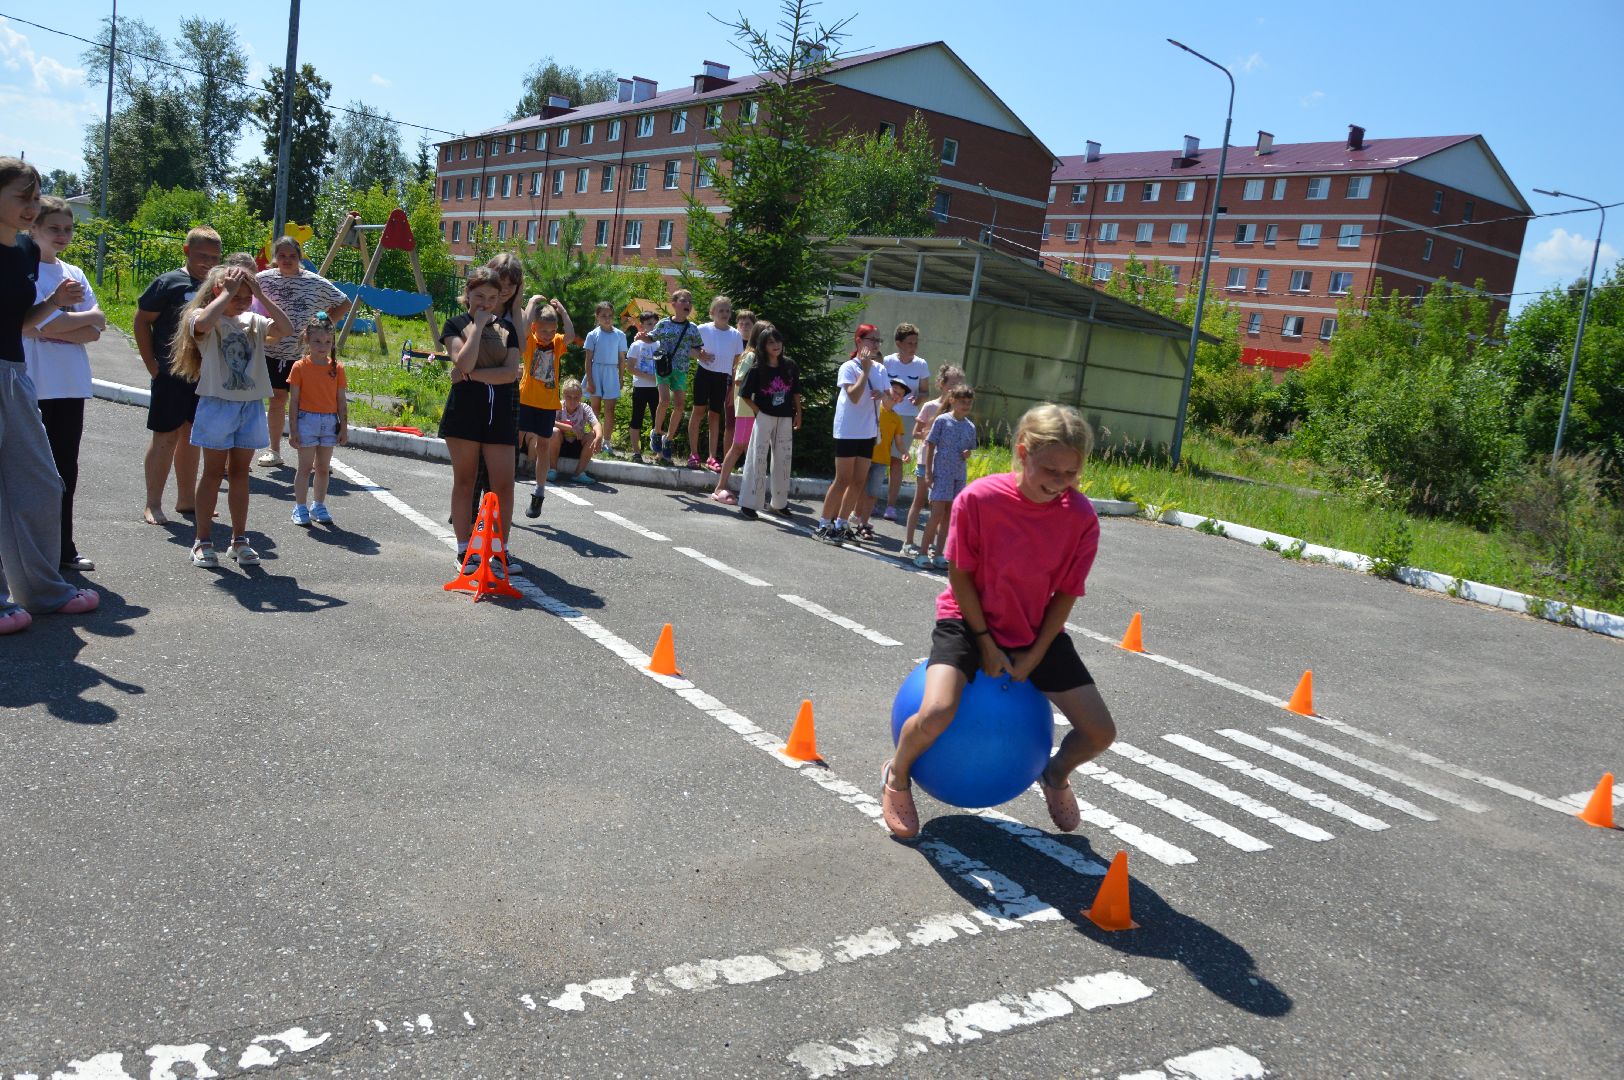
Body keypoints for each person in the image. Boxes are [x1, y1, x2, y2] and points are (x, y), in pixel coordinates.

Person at [881, 403, 1113, 841]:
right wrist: (985, 642)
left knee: (1100, 732)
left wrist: (1035, 655)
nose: (1059, 483)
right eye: (1050, 470)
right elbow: (960, 574)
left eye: (1071, 474)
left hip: (1034, 629)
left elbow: (1065, 593)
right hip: (966, 622)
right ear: (1023, 453)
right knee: (936, 712)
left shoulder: (1080, 516)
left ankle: (1056, 775)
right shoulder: (979, 499)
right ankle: (897, 774)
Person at [0, 157, 99, 633]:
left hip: (14, 375)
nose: (30, 207)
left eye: (35, 197)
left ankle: (40, 590)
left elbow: (22, 324)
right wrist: (59, 319)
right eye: (22, 197)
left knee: (41, 483)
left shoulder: (21, 251)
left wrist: (53, 307)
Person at [169, 265, 294, 568]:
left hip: (249, 405)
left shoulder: (253, 320)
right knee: (212, 473)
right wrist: (226, 293)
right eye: (236, 296)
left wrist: (261, 294)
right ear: (217, 292)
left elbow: (286, 329)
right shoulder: (202, 318)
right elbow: (203, 324)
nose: (241, 301)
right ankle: (202, 540)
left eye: (245, 296)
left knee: (240, 474)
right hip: (217, 405)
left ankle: (239, 540)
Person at [22, 195, 104, 572]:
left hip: (70, 384)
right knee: (28, 471)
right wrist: (58, 325)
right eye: (53, 227)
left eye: (68, 229)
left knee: (65, 469)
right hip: (31, 384)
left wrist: (53, 328)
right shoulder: (24, 270)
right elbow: (32, 324)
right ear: (33, 227)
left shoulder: (74, 273)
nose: (62, 235)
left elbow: (97, 326)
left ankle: (62, 548)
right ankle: (25, 551)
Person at [136, 226, 221, 525]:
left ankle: (187, 500)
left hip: (205, 377)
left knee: (192, 438)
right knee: (165, 437)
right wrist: (150, 363)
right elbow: (141, 321)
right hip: (171, 375)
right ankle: (152, 504)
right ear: (186, 251)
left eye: (214, 256)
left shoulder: (218, 288)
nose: (208, 262)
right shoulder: (168, 282)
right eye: (202, 255)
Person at [440, 267, 522, 572]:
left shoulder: (508, 329)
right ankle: (465, 551)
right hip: (464, 413)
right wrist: (476, 326)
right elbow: (463, 359)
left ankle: (498, 549)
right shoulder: (455, 325)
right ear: (467, 295)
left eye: (491, 297)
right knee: (465, 480)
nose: (486, 303)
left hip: (498, 414)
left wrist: (470, 376)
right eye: (479, 296)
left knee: (504, 485)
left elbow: (509, 374)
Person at [254, 236, 349, 468]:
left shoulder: (314, 282)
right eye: (282, 256)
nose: (287, 260)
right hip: (273, 352)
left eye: (292, 256)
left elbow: (344, 302)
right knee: (277, 401)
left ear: (300, 257)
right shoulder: (262, 280)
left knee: (307, 404)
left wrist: (323, 328)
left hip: (305, 356)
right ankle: (274, 450)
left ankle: (314, 455)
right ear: (275, 257)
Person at [815, 324, 886, 542]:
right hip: (848, 429)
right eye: (872, 340)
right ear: (859, 341)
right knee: (843, 479)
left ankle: (841, 524)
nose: (875, 345)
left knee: (858, 481)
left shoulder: (881, 369)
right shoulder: (849, 367)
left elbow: (888, 397)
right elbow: (854, 397)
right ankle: (824, 524)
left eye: (878, 341)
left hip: (868, 431)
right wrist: (865, 371)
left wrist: (884, 394)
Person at [286, 313, 348, 526]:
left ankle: (318, 505)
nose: (323, 346)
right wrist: (293, 429)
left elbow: (341, 401)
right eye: (317, 341)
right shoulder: (299, 367)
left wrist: (344, 428)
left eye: (328, 342)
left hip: (329, 423)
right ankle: (300, 507)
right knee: (304, 468)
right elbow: (293, 401)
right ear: (307, 341)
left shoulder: (337, 368)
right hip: (306, 421)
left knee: (323, 467)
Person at [736, 321, 802, 520]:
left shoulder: (789, 365)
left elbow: (796, 392)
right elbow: (744, 393)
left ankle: (779, 504)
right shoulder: (757, 368)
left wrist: (798, 412)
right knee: (757, 458)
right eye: (771, 342)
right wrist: (758, 412)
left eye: (778, 341)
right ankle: (749, 504)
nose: (776, 345)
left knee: (783, 460)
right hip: (764, 416)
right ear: (763, 346)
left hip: (785, 417)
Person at [902, 365, 964, 558]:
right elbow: (915, 433)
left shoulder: (958, 411)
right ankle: (908, 542)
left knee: (938, 507)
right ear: (941, 384)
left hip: (945, 466)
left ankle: (932, 546)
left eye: (959, 384)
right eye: (952, 384)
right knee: (919, 500)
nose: (955, 388)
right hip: (925, 461)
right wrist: (930, 434)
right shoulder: (930, 406)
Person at [518, 297, 571, 519]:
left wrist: (563, 311)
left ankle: (538, 493)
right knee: (514, 442)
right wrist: (531, 304)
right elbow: (521, 331)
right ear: (534, 327)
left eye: (551, 330)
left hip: (547, 405)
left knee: (543, 447)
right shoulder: (529, 341)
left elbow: (570, 332)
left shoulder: (557, 343)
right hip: (525, 400)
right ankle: (501, 486)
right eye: (543, 330)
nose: (548, 335)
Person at [914, 385, 977, 570]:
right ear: (952, 401)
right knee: (936, 514)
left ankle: (940, 553)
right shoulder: (942, 420)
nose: (965, 405)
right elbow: (931, 445)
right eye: (961, 401)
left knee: (949, 516)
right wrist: (928, 472)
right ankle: (922, 553)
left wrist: (967, 453)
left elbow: (970, 448)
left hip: (958, 475)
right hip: (941, 473)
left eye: (968, 402)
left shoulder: (970, 426)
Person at [849, 379, 910, 541]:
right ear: (887, 390)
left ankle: (863, 523)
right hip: (864, 455)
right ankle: (849, 516)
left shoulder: (897, 419)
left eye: (900, 394)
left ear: (901, 400)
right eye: (894, 390)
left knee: (872, 493)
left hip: (882, 460)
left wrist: (904, 452)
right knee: (857, 487)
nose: (895, 395)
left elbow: (898, 442)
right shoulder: (874, 407)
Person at [689, 295, 742, 470]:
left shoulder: (735, 334)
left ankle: (712, 457)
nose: (725, 313)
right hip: (704, 375)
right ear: (712, 312)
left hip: (722, 378)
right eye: (721, 310)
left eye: (727, 310)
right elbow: (688, 348)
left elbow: (737, 363)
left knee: (715, 416)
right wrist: (700, 354)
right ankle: (694, 454)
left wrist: (733, 386)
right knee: (698, 411)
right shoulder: (702, 329)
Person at [650, 289, 701, 466]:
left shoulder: (692, 328)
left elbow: (697, 349)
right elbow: (651, 338)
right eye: (683, 300)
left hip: (681, 370)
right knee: (664, 401)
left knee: (679, 406)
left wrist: (703, 354)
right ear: (674, 304)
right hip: (664, 367)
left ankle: (668, 439)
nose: (688, 304)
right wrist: (641, 336)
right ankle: (656, 433)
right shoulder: (663, 324)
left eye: (690, 301)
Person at [710, 323, 758, 504]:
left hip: (753, 410)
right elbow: (738, 380)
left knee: (750, 449)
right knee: (738, 447)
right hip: (746, 409)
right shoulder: (751, 356)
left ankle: (751, 491)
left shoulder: (757, 356)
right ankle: (720, 487)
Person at [580, 301, 626, 455]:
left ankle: (606, 442)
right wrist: (591, 381)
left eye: (610, 316)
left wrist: (621, 377)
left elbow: (621, 359)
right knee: (595, 409)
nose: (607, 318)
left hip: (611, 373)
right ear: (597, 317)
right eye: (603, 316)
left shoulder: (620, 335)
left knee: (610, 409)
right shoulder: (592, 335)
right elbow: (588, 359)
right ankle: (593, 440)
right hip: (596, 371)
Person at [624, 311, 660, 464]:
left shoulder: (660, 343)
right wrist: (649, 377)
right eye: (648, 324)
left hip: (658, 388)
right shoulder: (636, 344)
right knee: (636, 418)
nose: (652, 327)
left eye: (654, 324)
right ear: (642, 326)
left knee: (658, 419)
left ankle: (659, 453)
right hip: (640, 386)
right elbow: (630, 368)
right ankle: (636, 452)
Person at [552, 378, 600, 484]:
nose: (573, 401)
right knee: (554, 432)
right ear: (564, 395)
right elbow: (549, 422)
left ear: (581, 396)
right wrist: (570, 428)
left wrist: (599, 437)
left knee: (593, 435)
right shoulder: (558, 406)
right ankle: (552, 469)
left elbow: (596, 424)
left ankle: (579, 473)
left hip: (577, 445)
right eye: (569, 397)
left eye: (576, 397)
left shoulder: (584, 408)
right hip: (560, 445)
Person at [723, 308, 756, 461]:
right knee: (730, 426)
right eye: (740, 323)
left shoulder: (757, 347)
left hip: (751, 395)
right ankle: (727, 460)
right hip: (732, 389)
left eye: (747, 324)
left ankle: (747, 462)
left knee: (749, 430)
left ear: (754, 326)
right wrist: (730, 390)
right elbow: (731, 369)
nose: (743, 326)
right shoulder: (732, 342)